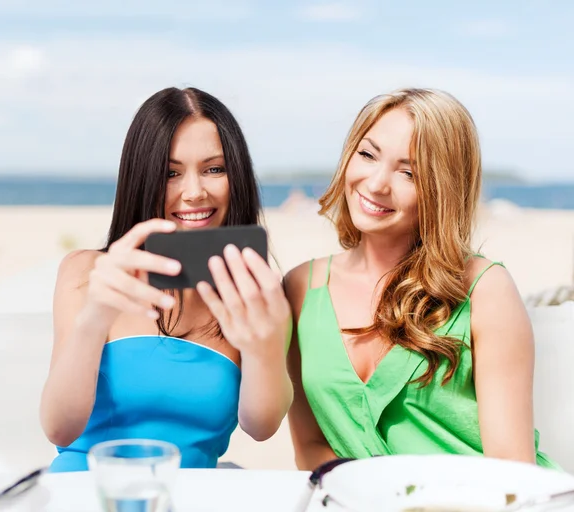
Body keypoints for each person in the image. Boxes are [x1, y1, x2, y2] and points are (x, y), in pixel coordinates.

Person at [284, 88, 558, 471]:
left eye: (409, 172)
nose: (377, 183)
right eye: (367, 154)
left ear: (442, 190)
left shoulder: (485, 288)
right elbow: (311, 447)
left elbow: (512, 469)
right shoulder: (299, 288)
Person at [40, 87, 293, 472]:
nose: (194, 192)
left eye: (214, 169)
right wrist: (95, 318)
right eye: (170, 173)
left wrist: (262, 350)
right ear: (142, 179)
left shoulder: (256, 291)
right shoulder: (86, 272)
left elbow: (261, 426)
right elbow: (59, 429)